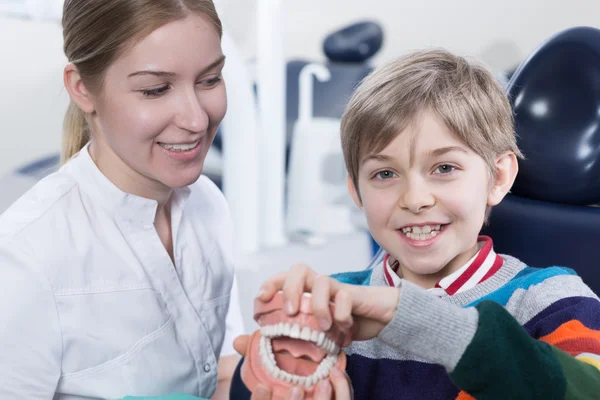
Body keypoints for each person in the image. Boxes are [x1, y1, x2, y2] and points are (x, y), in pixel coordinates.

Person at [246, 49, 600, 399]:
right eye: (385, 174)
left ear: (497, 177)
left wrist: (415, 319)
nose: (415, 199)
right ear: (356, 190)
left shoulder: (551, 299)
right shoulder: (331, 316)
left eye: (444, 168)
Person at [0, 0, 245, 398]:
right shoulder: (27, 258)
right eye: (156, 90)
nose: (197, 119)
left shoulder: (207, 204)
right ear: (82, 88)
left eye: (210, 79)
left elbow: (218, 371)